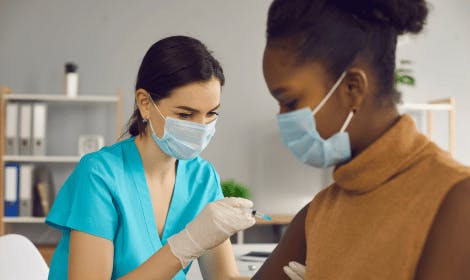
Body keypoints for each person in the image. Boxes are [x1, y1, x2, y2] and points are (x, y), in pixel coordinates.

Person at [254, 0, 470, 279]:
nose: (282, 118)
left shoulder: (456, 200)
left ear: (352, 88)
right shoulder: (319, 213)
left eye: (291, 102)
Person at [45, 36, 256, 280]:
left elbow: (224, 278)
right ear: (145, 103)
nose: (201, 127)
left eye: (211, 113)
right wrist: (185, 245)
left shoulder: (203, 178)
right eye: (186, 115)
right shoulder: (99, 175)